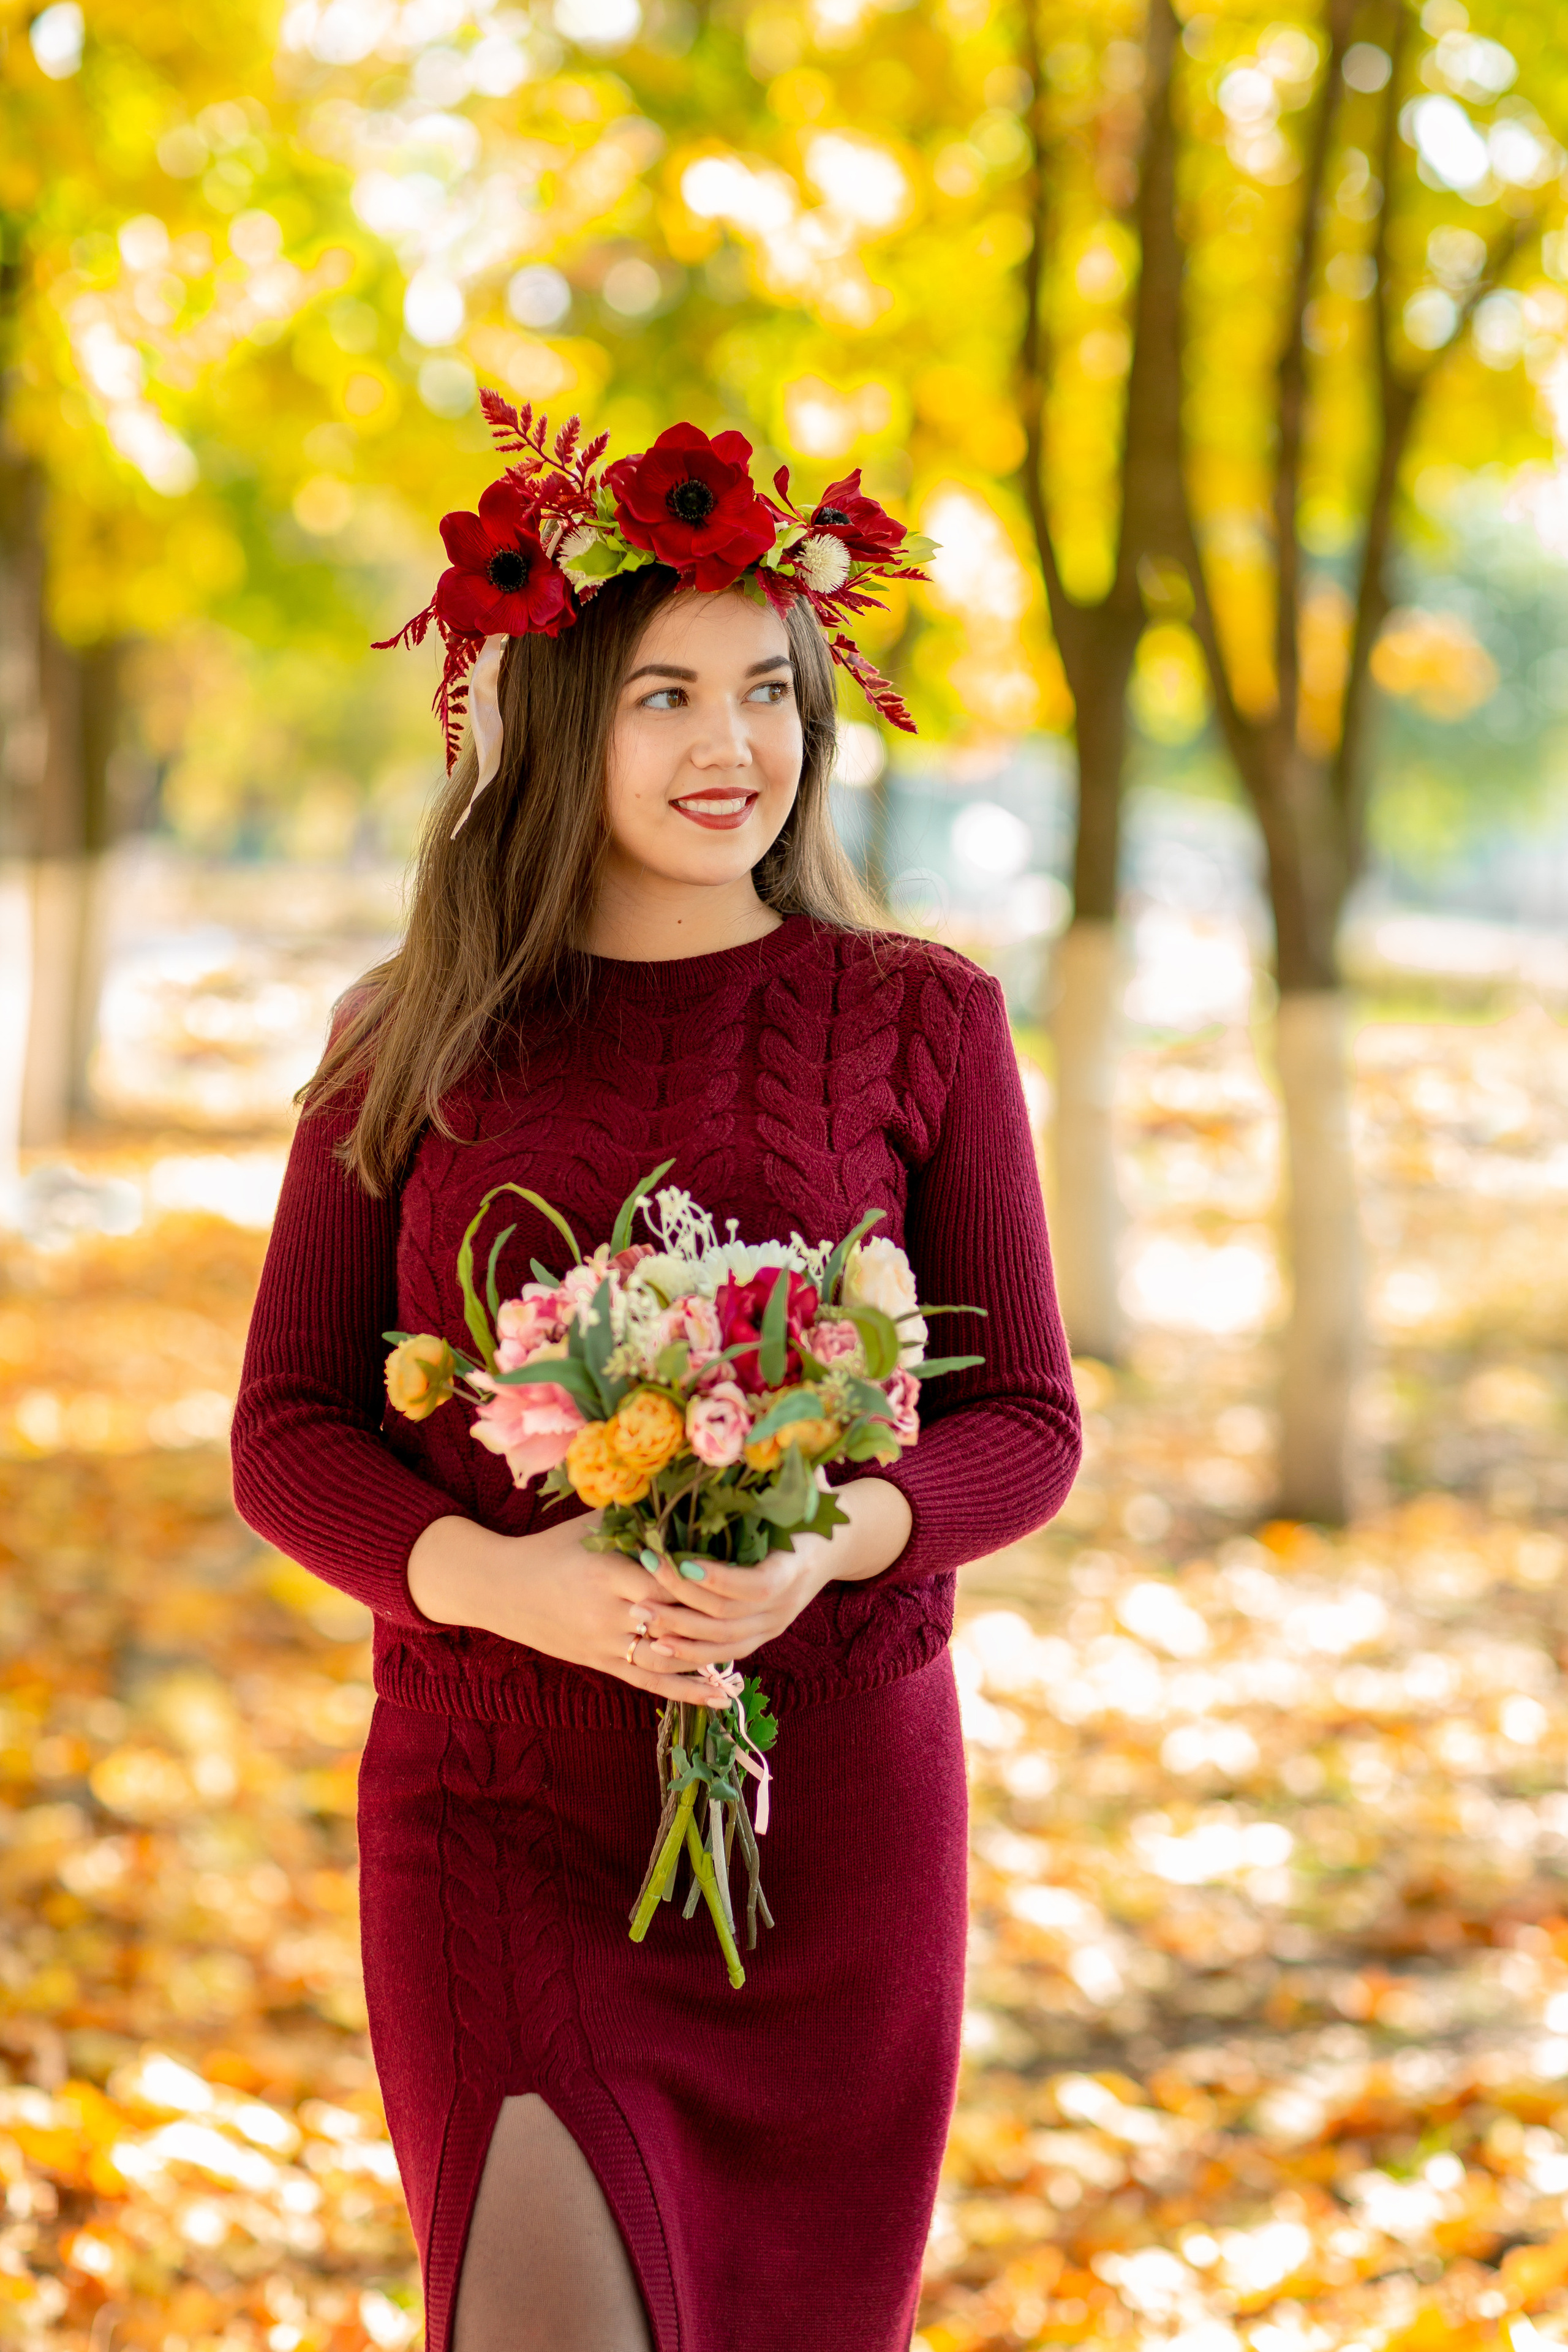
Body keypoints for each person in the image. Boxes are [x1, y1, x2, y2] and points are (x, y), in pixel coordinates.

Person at [231, 405, 1081, 2352]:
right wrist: (505, 1582)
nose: (733, 749)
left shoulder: (920, 1015)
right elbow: (287, 1430)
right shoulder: (415, 1031)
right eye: (665, 698)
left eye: (768, 691)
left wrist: (839, 1542)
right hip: (499, 1806)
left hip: (838, 1828)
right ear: (555, 716)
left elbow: (1025, 1419)